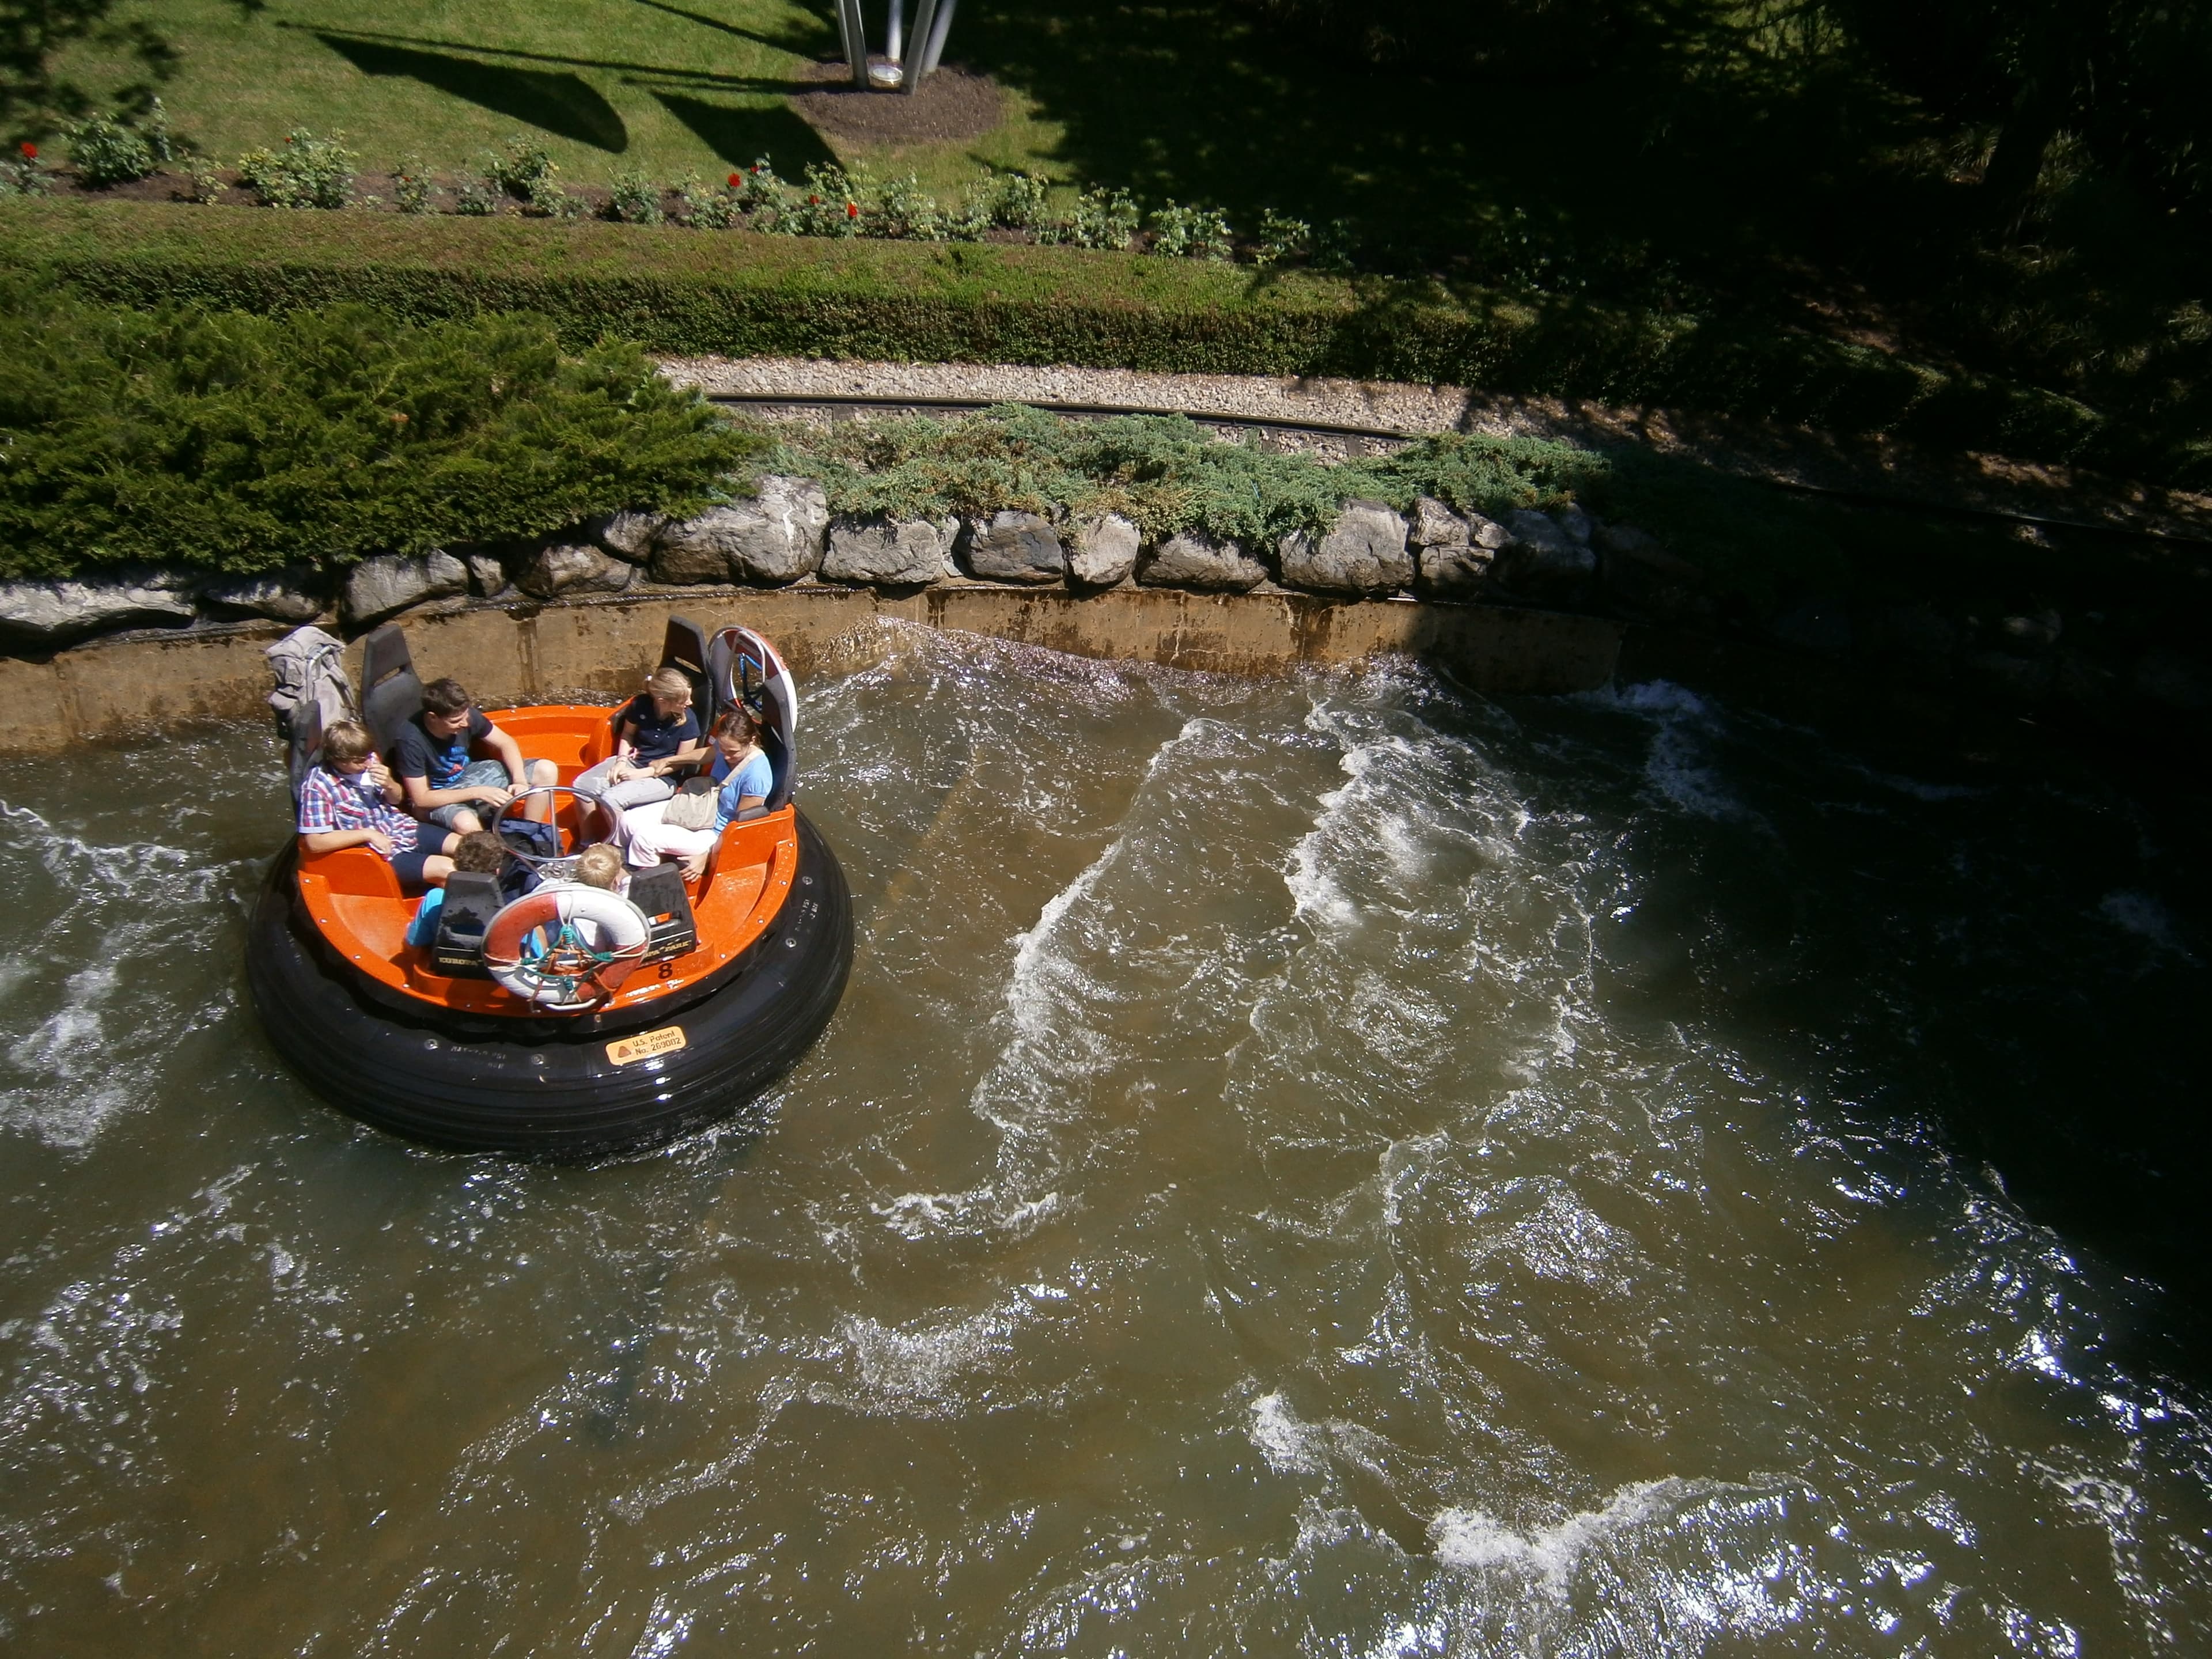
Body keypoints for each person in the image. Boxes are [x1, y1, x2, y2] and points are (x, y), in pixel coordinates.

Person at [298, 719, 459, 892]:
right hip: (375, 853)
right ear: (339, 760)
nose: (368, 764)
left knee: (464, 846)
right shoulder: (317, 787)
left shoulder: (369, 759)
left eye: (369, 756)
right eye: (360, 761)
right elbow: (315, 842)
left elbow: (397, 799)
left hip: (398, 826)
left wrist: (389, 784)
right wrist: (367, 835)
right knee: (449, 869)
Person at [613, 706, 774, 880]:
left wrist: (706, 855)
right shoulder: (726, 747)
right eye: (722, 749)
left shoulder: (757, 776)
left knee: (645, 838)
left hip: (715, 830)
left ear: (752, 740)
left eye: (732, 753)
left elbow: (739, 827)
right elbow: (707, 754)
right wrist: (668, 760)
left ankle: (646, 884)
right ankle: (618, 864)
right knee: (628, 821)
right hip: (701, 806)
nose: (725, 756)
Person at [388, 677, 557, 837]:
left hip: (468, 774)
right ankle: (492, 857)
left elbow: (506, 743)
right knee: (466, 824)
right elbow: (421, 798)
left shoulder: (464, 715)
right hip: (438, 794)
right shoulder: (410, 740)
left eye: (466, 716)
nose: (465, 724)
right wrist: (479, 793)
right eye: (455, 721)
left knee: (546, 770)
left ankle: (529, 836)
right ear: (433, 717)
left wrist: (519, 780)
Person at [571, 667, 707, 822]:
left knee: (612, 799)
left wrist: (644, 774)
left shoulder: (688, 721)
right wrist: (621, 762)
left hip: (662, 777)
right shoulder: (640, 705)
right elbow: (628, 734)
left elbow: (680, 763)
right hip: (632, 761)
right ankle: (587, 841)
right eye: (684, 700)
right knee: (582, 786)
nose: (690, 703)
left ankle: (619, 843)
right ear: (662, 701)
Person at [404, 831, 509, 947]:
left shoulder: (434, 899)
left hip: (443, 963)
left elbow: (412, 945)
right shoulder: (510, 910)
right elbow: (530, 954)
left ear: (455, 864)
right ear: (498, 871)